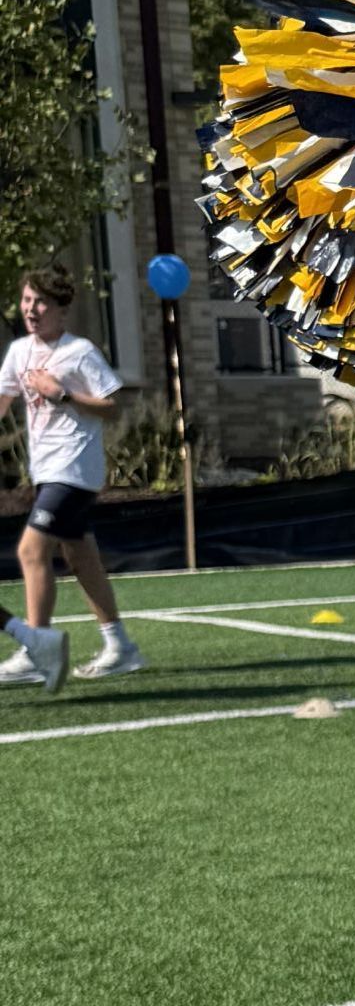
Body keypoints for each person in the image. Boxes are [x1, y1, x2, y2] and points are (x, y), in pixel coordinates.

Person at [1, 266, 142, 690]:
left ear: (61, 309)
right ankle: (120, 647)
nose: (31, 309)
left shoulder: (79, 352)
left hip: (75, 469)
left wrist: (61, 393)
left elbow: (112, 406)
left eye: (40, 302)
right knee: (81, 558)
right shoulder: (19, 352)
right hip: (46, 471)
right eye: (27, 301)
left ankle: (34, 649)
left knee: (30, 550)